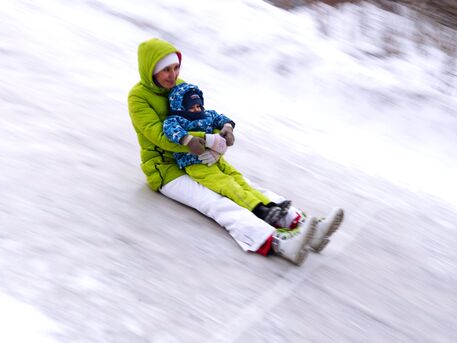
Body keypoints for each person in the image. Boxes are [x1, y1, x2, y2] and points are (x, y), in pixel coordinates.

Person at [127, 38, 344, 266]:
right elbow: (160, 137)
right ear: (150, 70)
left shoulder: (179, 87)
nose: (172, 75)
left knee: (245, 186)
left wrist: (222, 133)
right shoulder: (138, 97)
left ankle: (304, 226)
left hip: (199, 158)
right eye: (165, 70)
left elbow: (201, 118)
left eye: (175, 67)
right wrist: (209, 141)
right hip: (167, 170)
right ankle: (278, 242)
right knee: (217, 201)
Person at [163, 82, 290, 226]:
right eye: (191, 107)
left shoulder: (208, 114)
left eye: (198, 106)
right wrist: (188, 140)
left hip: (216, 158)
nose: (196, 110)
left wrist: (228, 128)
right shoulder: (176, 119)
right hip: (196, 164)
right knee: (227, 184)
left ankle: (270, 205)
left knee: (238, 179)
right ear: (180, 108)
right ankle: (258, 209)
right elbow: (170, 129)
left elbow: (221, 118)